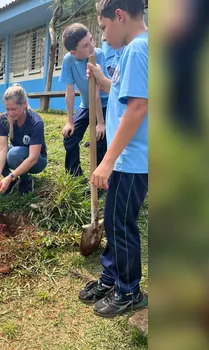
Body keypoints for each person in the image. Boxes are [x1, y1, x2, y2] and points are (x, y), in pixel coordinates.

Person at [81, 0, 149, 318]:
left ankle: (128, 291)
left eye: (105, 27)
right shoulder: (131, 51)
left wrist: (107, 161)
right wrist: (99, 76)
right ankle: (111, 278)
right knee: (113, 219)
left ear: (119, 17)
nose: (104, 37)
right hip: (126, 158)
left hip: (130, 159)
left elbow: (137, 109)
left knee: (121, 224)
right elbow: (123, 92)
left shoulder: (137, 50)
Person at [59, 23, 108, 177]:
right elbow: (70, 91)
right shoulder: (68, 60)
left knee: (100, 139)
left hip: (105, 103)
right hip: (86, 105)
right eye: (86, 45)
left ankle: (100, 182)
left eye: (91, 40)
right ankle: (75, 176)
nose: (92, 46)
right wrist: (70, 121)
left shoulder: (97, 55)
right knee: (70, 137)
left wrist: (100, 123)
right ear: (73, 52)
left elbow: (96, 92)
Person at [0, 84, 48, 196]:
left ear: (24, 104)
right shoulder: (3, 119)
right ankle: (12, 182)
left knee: (13, 154)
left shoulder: (36, 122)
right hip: (16, 153)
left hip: (37, 161)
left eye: (14, 109)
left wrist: (11, 176)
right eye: (7, 109)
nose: (10, 113)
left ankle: (26, 180)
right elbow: (2, 149)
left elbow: (33, 158)